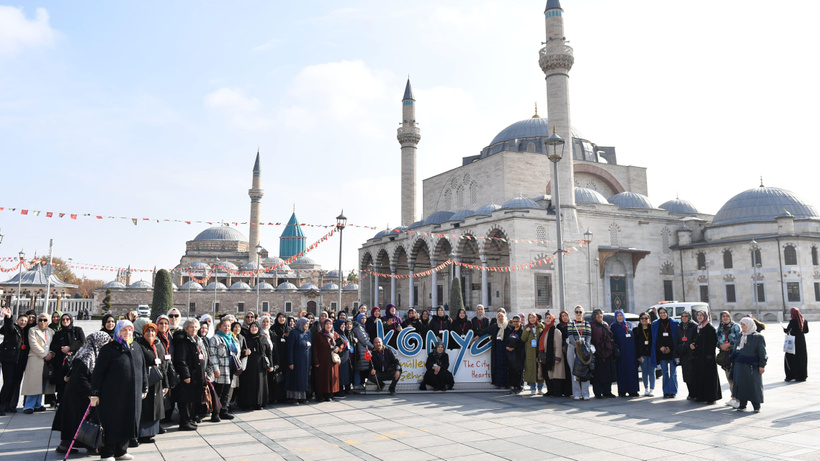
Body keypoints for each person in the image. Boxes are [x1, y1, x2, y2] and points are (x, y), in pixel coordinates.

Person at [89, 320, 148, 461]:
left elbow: (143, 368)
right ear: (117, 332)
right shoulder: (108, 349)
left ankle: (121, 451)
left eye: (130, 330)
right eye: (123, 330)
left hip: (132, 394)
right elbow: (98, 373)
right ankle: (107, 453)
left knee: (129, 421)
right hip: (113, 395)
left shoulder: (136, 347)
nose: (127, 333)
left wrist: (145, 386)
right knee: (113, 423)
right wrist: (94, 393)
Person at [51, 332, 110, 456]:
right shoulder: (89, 354)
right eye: (105, 342)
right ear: (97, 342)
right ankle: (91, 446)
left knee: (74, 420)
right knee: (86, 420)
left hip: (76, 392)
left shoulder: (87, 351)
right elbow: (81, 376)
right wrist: (91, 393)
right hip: (79, 393)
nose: (106, 344)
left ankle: (65, 445)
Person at [137, 323, 168, 443]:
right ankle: (143, 434)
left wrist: (166, 383)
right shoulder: (140, 345)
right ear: (143, 333)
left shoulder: (157, 345)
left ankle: (151, 432)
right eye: (148, 331)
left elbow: (164, 365)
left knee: (156, 407)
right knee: (146, 408)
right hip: (147, 381)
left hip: (157, 381)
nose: (150, 334)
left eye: (153, 332)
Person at [173, 319, 206, 431]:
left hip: (196, 375)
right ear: (186, 328)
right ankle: (184, 422)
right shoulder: (183, 341)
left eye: (196, 327)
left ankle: (190, 419)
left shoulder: (195, 340)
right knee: (185, 400)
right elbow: (181, 360)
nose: (194, 329)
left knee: (192, 399)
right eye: (192, 327)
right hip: (188, 376)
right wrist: (186, 375)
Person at [21, 313, 55, 413]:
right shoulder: (32, 330)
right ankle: (28, 406)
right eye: (40, 320)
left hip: (47, 360)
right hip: (35, 358)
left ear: (48, 321)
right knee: (33, 383)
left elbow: (53, 345)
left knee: (42, 383)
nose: (42, 322)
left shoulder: (51, 332)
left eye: (45, 320)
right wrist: (45, 354)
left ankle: (37, 404)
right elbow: (33, 344)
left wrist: (51, 354)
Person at [732, 317, 767, 413]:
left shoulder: (758, 337)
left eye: (744, 324)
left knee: (754, 385)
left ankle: (756, 405)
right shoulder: (740, 335)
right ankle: (742, 404)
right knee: (741, 384)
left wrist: (762, 365)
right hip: (740, 364)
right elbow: (736, 348)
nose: (742, 326)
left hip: (752, 365)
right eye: (741, 324)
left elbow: (762, 352)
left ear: (750, 325)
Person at [49, 312, 86, 403]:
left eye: (67, 319)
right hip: (61, 362)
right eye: (63, 319)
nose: (65, 321)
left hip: (75, 360)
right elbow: (53, 346)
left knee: (74, 382)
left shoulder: (77, 330)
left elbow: (82, 342)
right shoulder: (58, 333)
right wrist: (62, 349)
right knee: (61, 384)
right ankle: (61, 402)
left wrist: (70, 348)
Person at [1, 307, 30, 415]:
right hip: (9, 360)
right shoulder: (14, 329)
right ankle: (1, 404)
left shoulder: (26, 331)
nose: (23, 322)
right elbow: (8, 327)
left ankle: (9, 405)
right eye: (21, 320)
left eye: (25, 321)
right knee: (8, 383)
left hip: (20, 361)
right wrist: (8, 317)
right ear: (17, 321)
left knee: (15, 383)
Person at [239, 321, 274, 410]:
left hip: (260, 366)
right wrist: (244, 353)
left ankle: (260, 403)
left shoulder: (262, 338)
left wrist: (271, 365)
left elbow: (269, 352)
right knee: (249, 384)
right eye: (252, 327)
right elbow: (240, 351)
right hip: (249, 366)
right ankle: (249, 403)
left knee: (260, 384)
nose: (254, 328)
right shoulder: (245, 338)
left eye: (256, 327)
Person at [208, 319, 237, 421]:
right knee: (217, 392)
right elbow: (212, 355)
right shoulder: (215, 339)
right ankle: (215, 413)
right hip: (220, 369)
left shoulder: (231, 338)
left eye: (228, 326)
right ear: (219, 327)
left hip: (230, 369)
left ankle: (224, 411)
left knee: (226, 392)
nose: (227, 328)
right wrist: (216, 369)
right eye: (224, 325)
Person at [690, 310, 721, 404]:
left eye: (701, 315)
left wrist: (709, 356)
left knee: (709, 377)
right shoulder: (698, 327)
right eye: (698, 315)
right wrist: (692, 344)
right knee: (700, 376)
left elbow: (712, 343)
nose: (699, 317)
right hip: (699, 357)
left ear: (705, 316)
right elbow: (694, 339)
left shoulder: (709, 328)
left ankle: (710, 397)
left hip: (708, 357)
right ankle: (701, 396)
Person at [651, 306, 679, 398]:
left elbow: (675, 338)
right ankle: (666, 391)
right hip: (661, 352)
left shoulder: (674, 323)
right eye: (661, 313)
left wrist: (670, 348)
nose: (663, 314)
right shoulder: (655, 324)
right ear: (658, 314)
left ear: (667, 313)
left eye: (664, 313)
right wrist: (661, 347)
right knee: (665, 372)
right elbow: (655, 338)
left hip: (672, 351)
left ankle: (673, 391)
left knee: (673, 372)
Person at [313, 319, 343, 402]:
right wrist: (316, 361)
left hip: (332, 361)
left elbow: (342, 344)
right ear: (323, 325)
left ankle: (329, 395)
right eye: (327, 324)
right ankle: (320, 395)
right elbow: (315, 349)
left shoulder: (335, 334)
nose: (328, 326)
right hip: (322, 360)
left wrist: (338, 348)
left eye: (330, 324)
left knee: (331, 378)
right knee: (322, 378)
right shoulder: (319, 335)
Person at [566, 306, 592, 400]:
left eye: (580, 312)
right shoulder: (571, 323)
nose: (578, 313)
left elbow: (588, 336)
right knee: (574, 371)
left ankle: (585, 393)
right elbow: (570, 336)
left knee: (585, 370)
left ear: (583, 313)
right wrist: (577, 345)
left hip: (584, 349)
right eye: (576, 312)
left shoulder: (587, 323)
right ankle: (576, 392)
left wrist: (586, 346)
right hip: (573, 348)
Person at [611, 310, 639, 397]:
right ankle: (622, 390)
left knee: (632, 371)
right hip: (621, 353)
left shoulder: (628, 324)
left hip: (631, 352)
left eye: (621, 315)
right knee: (622, 371)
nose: (619, 317)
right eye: (617, 316)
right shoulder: (614, 326)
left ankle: (633, 390)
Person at [590, 309, 617, 399]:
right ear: (594, 316)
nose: (599, 315)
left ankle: (607, 391)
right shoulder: (591, 325)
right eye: (597, 314)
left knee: (607, 373)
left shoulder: (605, 324)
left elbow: (611, 336)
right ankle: (598, 392)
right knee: (598, 374)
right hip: (597, 353)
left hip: (608, 352)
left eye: (601, 313)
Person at [717, 311, 741, 407]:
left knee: (735, 377)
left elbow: (739, 339)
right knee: (729, 377)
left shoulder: (735, 326)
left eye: (727, 316)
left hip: (734, 355)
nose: (725, 318)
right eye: (723, 316)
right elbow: (717, 340)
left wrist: (729, 345)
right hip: (725, 355)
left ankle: (738, 398)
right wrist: (721, 346)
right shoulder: (720, 328)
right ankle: (733, 397)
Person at [480, 310, 511, 388]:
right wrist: (478, 336)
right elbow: (485, 331)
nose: (500, 318)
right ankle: (499, 383)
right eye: (499, 317)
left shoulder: (509, 327)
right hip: (498, 350)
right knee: (498, 366)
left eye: (502, 316)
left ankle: (507, 383)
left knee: (506, 366)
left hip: (506, 350)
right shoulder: (495, 326)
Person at [155, 314, 176, 425]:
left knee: (169, 395)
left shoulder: (169, 336)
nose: (163, 325)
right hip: (160, 369)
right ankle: (160, 419)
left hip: (169, 368)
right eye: (161, 323)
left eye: (166, 323)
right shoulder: (155, 337)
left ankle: (168, 416)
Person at [539, 312, 565, 397]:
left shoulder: (556, 331)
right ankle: (550, 390)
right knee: (548, 375)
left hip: (554, 356)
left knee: (555, 375)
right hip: (546, 356)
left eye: (549, 318)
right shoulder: (544, 330)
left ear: (553, 319)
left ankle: (556, 392)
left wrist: (558, 357)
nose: (547, 319)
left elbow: (558, 345)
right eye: (546, 318)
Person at [286, 317, 312, 405]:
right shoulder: (294, 333)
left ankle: (302, 397)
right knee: (296, 378)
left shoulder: (308, 333)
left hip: (306, 361)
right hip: (297, 360)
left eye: (308, 324)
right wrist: (291, 362)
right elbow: (290, 349)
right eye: (306, 324)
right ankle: (294, 398)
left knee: (304, 379)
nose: (307, 325)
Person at [520, 312, 545, 394]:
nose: (532, 319)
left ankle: (540, 388)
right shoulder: (526, 327)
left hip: (539, 351)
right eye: (530, 317)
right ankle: (532, 388)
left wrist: (542, 332)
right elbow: (523, 339)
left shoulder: (541, 326)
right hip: (530, 352)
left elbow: (544, 338)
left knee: (540, 369)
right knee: (530, 369)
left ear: (536, 318)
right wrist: (527, 331)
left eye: (533, 317)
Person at [676, 311, 698, 399]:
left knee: (694, 374)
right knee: (686, 374)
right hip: (683, 353)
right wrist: (677, 352)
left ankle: (696, 393)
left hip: (692, 354)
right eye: (682, 316)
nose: (684, 318)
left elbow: (696, 339)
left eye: (686, 316)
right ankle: (690, 393)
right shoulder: (679, 327)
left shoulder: (694, 326)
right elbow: (677, 340)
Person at [784, 307, 809, 382]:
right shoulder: (804, 321)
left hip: (793, 341)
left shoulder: (793, 322)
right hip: (801, 341)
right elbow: (806, 331)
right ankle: (801, 376)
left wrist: (785, 330)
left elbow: (789, 331)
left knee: (790, 358)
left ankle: (791, 375)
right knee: (801, 358)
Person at [634, 312, 655, 396]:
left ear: (649, 319)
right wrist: (638, 356)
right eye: (642, 318)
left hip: (651, 354)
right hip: (642, 355)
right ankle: (646, 388)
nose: (644, 320)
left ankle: (652, 389)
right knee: (644, 372)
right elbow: (635, 344)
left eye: (646, 318)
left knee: (652, 372)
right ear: (640, 320)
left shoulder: (652, 329)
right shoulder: (636, 330)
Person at [271, 313, 290, 402]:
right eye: (280, 317)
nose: (282, 319)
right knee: (276, 377)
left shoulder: (288, 329)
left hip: (286, 356)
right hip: (277, 356)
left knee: (286, 376)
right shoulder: (273, 329)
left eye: (283, 317)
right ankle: (276, 396)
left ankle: (285, 396)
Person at [352, 313, 374, 390]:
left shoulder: (362, 327)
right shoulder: (358, 328)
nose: (363, 320)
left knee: (361, 368)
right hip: (361, 351)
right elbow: (364, 340)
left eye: (365, 318)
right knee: (358, 369)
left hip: (363, 350)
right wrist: (373, 347)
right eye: (362, 319)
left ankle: (359, 383)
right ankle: (357, 384)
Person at [553, 311, 573, 397]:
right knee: (565, 370)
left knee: (570, 370)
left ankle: (570, 390)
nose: (565, 318)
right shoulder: (559, 326)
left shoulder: (572, 325)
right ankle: (564, 390)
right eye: (563, 316)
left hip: (572, 349)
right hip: (564, 350)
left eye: (566, 316)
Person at [505, 315, 526, 394]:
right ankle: (513, 386)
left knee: (518, 370)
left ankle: (519, 386)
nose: (515, 323)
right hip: (511, 354)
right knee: (512, 370)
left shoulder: (522, 330)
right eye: (514, 321)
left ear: (520, 321)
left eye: (517, 321)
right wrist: (507, 347)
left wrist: (515, 348)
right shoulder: (511, 330)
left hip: (518, 353)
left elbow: (522, 342)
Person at [333, 319, 352, 397]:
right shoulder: (336, 334)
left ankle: (344, 389)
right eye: (342, 325)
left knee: (344, 374)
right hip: (340, 357)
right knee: (340, 374)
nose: (343, 326)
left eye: (344, 325)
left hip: (345, 357)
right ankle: (339, 390)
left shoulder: (343, 334)